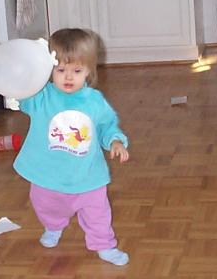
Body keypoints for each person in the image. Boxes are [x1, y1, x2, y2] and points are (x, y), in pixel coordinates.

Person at [13, 28, 130, 266]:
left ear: (89, 71)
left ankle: (105, 245)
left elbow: (107, 125)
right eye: (60, 70)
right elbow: (22, 96)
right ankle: (53, 226)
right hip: (48, 171)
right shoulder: (41, 97)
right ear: (49, 69)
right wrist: (17, 80)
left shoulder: (94, 101)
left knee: (98, 212)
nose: (68, 77)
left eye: (77, 71)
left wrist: (115, 141)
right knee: (45, 204)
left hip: (87, 174)